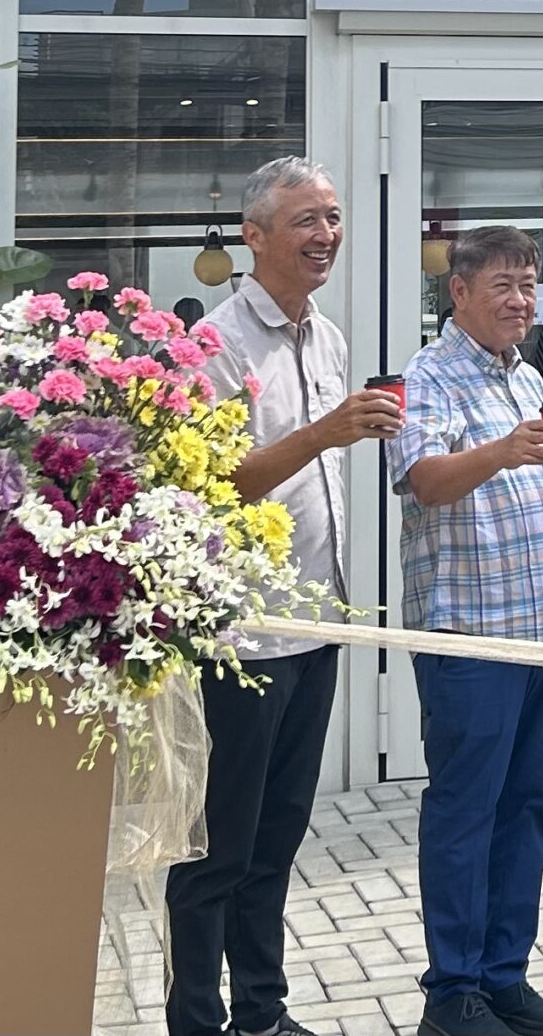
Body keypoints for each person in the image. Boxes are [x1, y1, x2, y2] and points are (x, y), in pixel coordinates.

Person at [168, 157, 404, 1036]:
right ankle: (197, 1020)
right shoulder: (217, 344)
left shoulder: (328, 337)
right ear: (254, 237)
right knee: (216, 851)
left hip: (315, 623)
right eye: (307, 220)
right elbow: (213, 484)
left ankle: (262, 1014)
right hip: (243, 634)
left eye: (333, 217)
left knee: (277, 841)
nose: (326, 235)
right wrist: (325, 431)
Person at [388, 226, 543, 1036]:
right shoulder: (427, 377)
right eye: (503, 284)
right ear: (460, 292)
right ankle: (452, 992)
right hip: (472, 632)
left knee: (526, 804)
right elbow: (425, 481)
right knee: (466, 809)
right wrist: (503, 449)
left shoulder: (530, 377)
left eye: (529, 285)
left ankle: (506, 977)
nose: (520, 300)